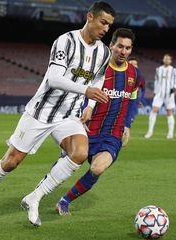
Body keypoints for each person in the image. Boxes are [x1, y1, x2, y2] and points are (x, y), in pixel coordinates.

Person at [0, 1, 115, 227]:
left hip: (69, 114)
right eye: (103, 22)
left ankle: (35, 197)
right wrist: (86, 90)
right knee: (11, 162)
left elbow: (98, 78)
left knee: (80, 153)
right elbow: (54, 78)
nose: (105, 29)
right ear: (89, 17)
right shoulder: (66, 41)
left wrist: (89, 104)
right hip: (41, 111)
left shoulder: (103, 52)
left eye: (109, 26)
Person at [54, 28, 141, 215]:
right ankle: (40, 191)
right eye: (119, 46)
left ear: (131, 50)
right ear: (111, 45)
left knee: (98, 168)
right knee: (65, 168)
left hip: (112, 134)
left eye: (127, 48)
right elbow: (76, 91)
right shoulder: (96, 68)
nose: (123, 51)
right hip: (87, 128)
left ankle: (64, 201)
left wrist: (127, 123)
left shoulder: (134, 74)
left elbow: (133, 99)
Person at [144, 54, 176, 139]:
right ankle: (150, 132)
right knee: (154, 110)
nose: (166, 60)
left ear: (171, 61)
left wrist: (174, 88)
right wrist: (155, 92)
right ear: (163, 60)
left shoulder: (173, 70)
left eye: (168, 59)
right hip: (159, 93)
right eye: (165, 59)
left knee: (169, 112)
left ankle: (170, 133)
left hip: (169, 94)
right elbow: (156, 81)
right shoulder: (158, 69)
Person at [127, 56, 146, 121]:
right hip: (121, 102)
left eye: (135, 64)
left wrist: (139, 100)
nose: (134, 66)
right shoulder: (121, 75)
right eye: (131, 64)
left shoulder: (140, 78)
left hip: (132, 103)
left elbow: (143, 89)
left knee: (128, 122)